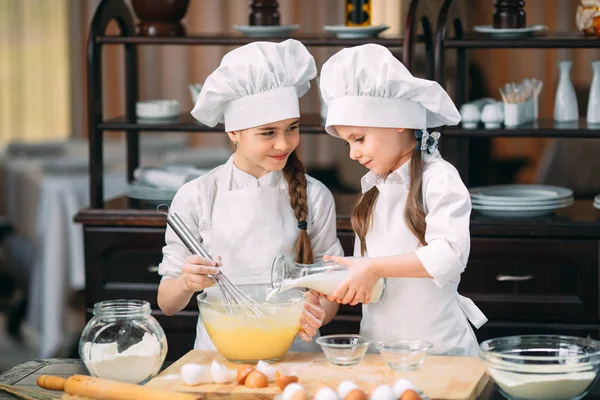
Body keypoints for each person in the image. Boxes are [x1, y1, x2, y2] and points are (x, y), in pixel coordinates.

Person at [157, 39, 344, 351]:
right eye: (268, 132)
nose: (284, 144)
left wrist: (318, 315)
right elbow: (167, 303)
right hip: (219, 356)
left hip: (296, 354)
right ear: (233, 132)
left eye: (292, 128)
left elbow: (329, 289)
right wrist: (186, 283)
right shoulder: (197, 196)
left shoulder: (316, 196)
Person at [318, 44, 487, 356]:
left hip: (439, 352)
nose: (352, 153)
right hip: (379, 353)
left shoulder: (439, 178)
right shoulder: (371, 192)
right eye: (347, 143)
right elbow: (372, 275)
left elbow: (448, 257)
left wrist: (372, 268)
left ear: (397, 121)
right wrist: (339, 285)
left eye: (359, 138)